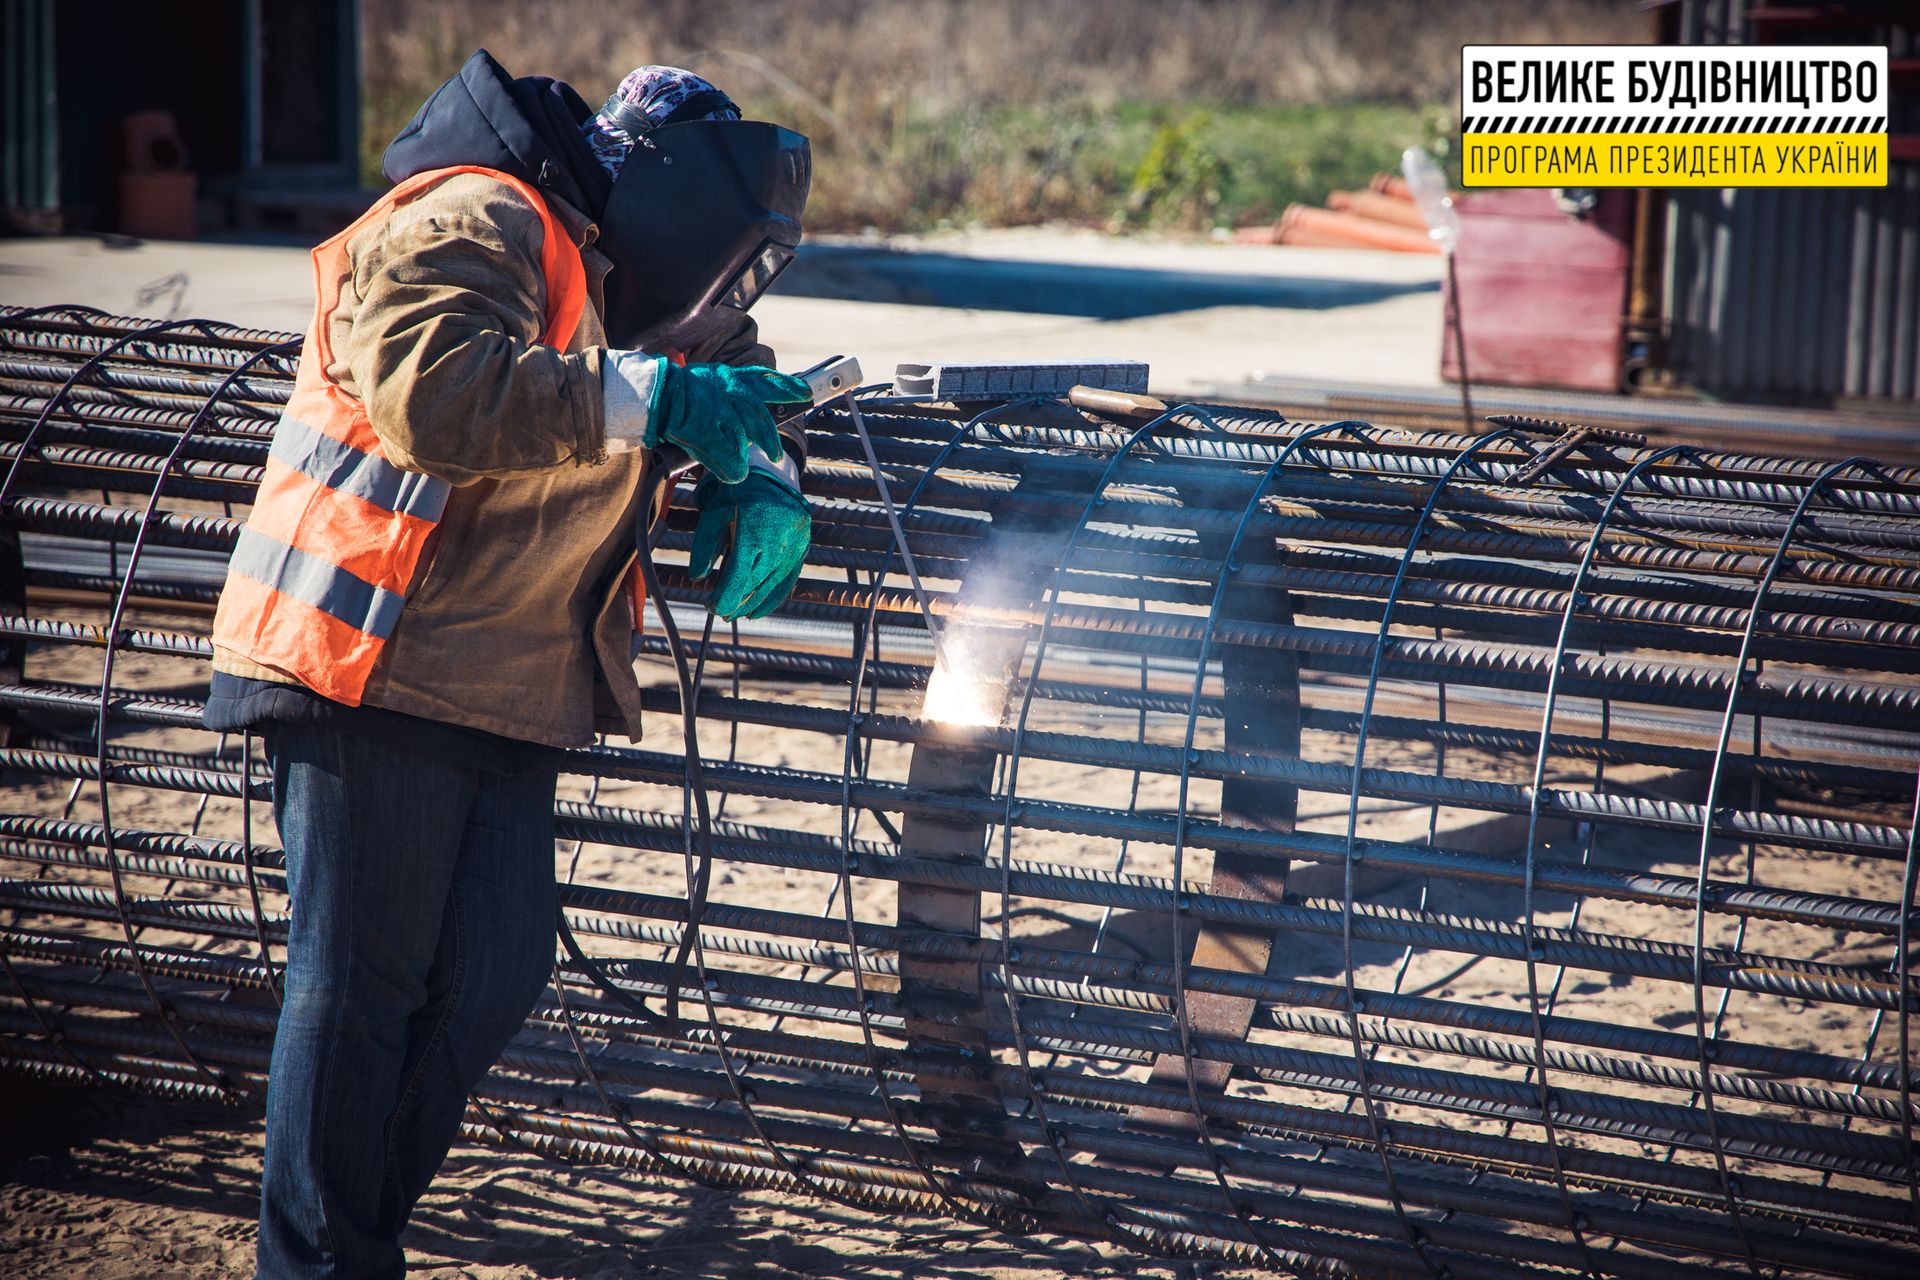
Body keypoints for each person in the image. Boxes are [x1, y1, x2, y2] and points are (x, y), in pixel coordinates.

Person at [203, 50, 815, 1278]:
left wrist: (763, 468)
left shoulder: (630, 273)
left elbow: (735, 373)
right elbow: (432, 392)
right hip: (369, 652)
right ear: (656, 191)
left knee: (492, 970)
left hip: (505, 676)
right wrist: (660, 402)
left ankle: (347, 1239)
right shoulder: (478, 211)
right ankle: (322, 1261)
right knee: (362, 988)